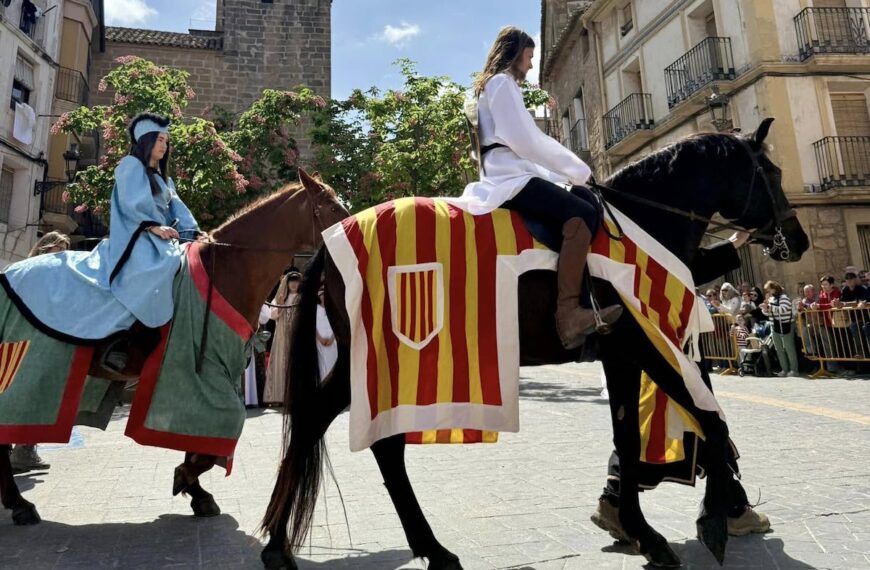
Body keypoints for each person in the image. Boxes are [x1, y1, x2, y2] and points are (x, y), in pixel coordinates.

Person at [592, 232, 771, 541]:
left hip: (667, 340)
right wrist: (733, 243)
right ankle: (730, 509)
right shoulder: (639, 234)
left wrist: (732, 243)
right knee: (690, 420)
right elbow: (684, 268)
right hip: (669, 345)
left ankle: (730, 505)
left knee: (691, 424)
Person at [459, 26, 621, 349]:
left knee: (584, 203)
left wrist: (565, 176)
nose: (531, 66)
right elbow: (525, 140)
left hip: (515, 173)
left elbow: (525, 145)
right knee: (579, 212)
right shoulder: (501, 84)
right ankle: (568, 316)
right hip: (510, 179)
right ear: (515, 53)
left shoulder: (498, 87)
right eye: (529, 57)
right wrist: (577, 169)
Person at [9, 232, 71, 473]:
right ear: (44, 249)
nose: (62, 257)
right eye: (58, 251)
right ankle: (22, 451)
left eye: (65, 251)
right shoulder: (29, 272)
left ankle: (24, 449)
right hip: (26, 341)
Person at [263, 270, 302, 405]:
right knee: (280, 362)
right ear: (287, 282)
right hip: (282, 333)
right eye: (291, 281)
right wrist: (280, 305)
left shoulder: (302, 297)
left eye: (296, 281)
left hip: (297, 333)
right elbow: (272, 316)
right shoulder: (280, 297)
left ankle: (295, 396)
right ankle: (278, 396)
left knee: (295, 363)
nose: (294, 284)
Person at [761, 280, 799, 376]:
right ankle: (784, 369)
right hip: (774, 325)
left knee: (788, 347)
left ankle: (794, 370)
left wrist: (769, 307)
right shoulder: (771, 299)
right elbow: (769, 313)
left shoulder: (784, 298)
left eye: (769, 290)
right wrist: (765, 309)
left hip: (786, 325)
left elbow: (783, 309)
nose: (768, 292)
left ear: (774, 289)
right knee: (778, 348)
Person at [316, 289, 337, 381]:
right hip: (319, 341)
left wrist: (332, 338)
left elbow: (337, 325)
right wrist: (320, 338)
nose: (323, 296)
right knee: (322, 365)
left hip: (333, 342)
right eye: (321, 294)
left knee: (333, 363)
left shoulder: (333, 308)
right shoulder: (315, 309)